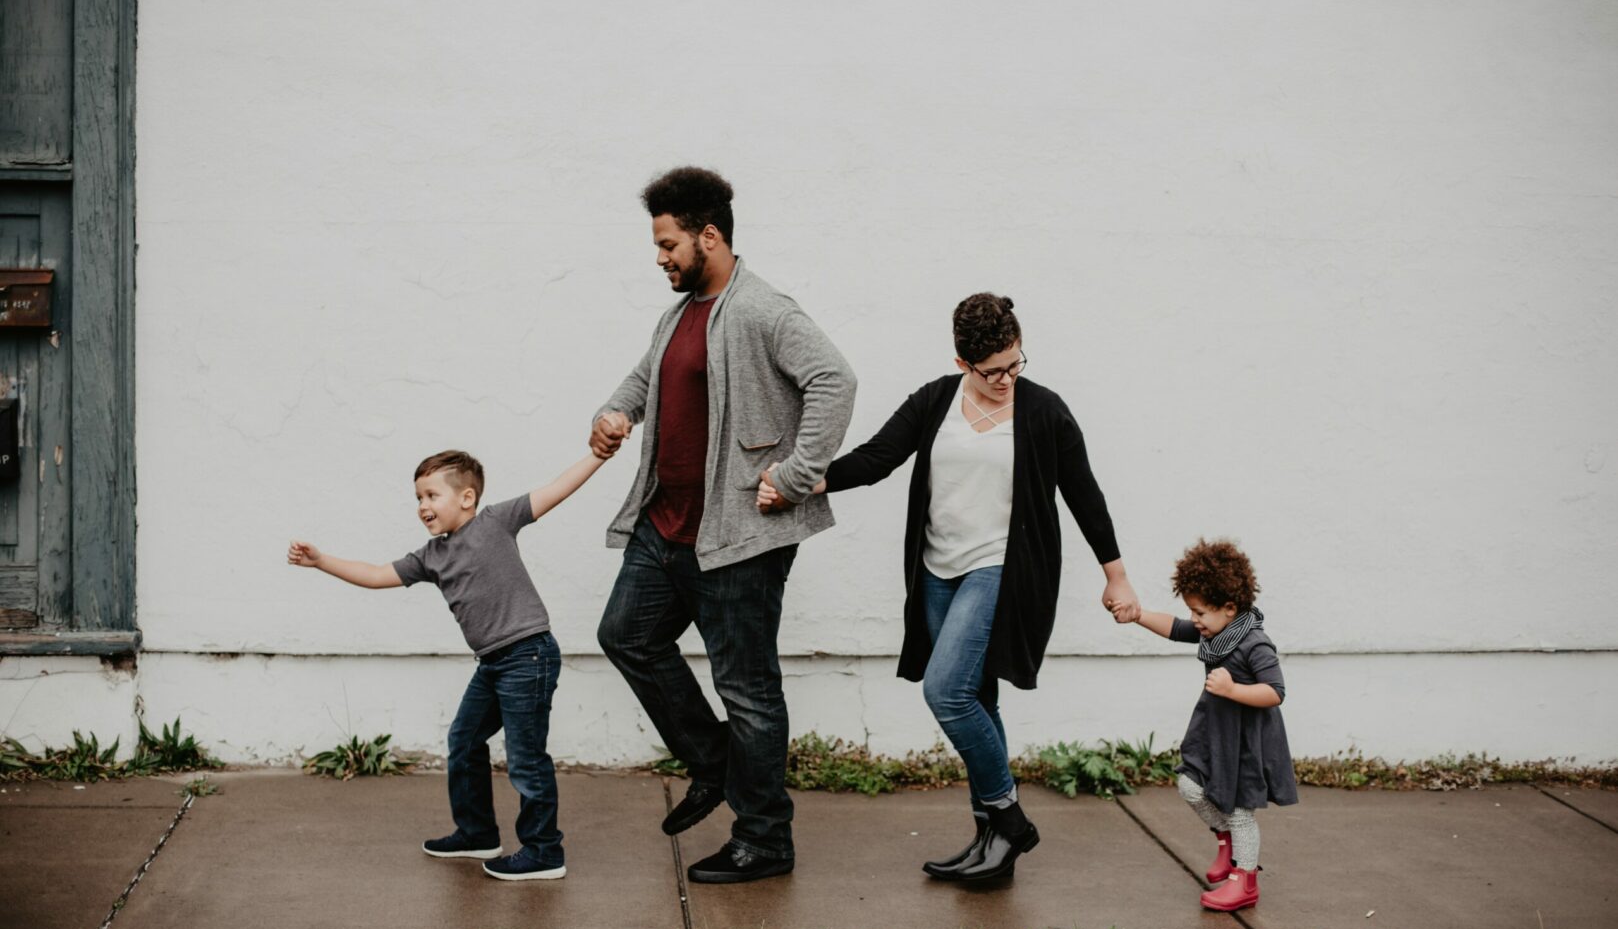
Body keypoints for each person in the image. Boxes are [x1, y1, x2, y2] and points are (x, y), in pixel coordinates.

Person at [758, 293, 1140, 882]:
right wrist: (801, 483)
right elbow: (878, 458)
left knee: (947, 692)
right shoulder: (937, 400)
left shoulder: (1044, 412)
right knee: (978, 699)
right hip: (937, 571)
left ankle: (1009, 820)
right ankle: (991, 845)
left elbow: (1084, 494)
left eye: (1016, 364)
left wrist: (1115, 575)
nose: (1007, 379)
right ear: (964, 363)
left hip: (1000, 569)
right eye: (993, 371)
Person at [591, 167, 855, 884]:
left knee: (748, 689)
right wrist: (614, 413)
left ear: (710, 236)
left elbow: (836, 380)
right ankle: (714, 766)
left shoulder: (764, 310)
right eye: (657, 243)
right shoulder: (678, 314)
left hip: (736, 537)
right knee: (626, 636)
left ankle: (765, 838)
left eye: (669, 242)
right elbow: (647, 378)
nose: (660, 257)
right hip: (666, 527)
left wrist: (796, 475)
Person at [287, 448, 606, 881]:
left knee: (526, 758)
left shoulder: (497, 521)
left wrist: (598, 455)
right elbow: (378, 574)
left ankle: (544, 850)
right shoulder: (431, 556)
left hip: (528, 656)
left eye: (432, 496)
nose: (422, 506)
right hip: (492, 663)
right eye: (418, 498)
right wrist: (321, 561)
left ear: (467, 498)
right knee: (464, 739)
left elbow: (556, 489)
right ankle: (477, 833)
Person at [1124, 538, 1296, 911]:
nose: (1195, 620)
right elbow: (1174, 628)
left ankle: (1245, 880)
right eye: (1192, 611)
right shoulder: (1215, 633)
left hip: (1245, 740)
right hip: (1215, 731)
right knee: (1189, 784)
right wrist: (1138, 614)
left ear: (1230, 607)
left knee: (1238, 810)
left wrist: (1233, 689)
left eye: (1200, 612)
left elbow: (1275, 692)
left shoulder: (1254, 643)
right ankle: (1226, 840)